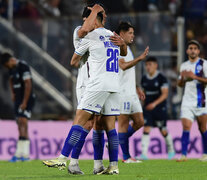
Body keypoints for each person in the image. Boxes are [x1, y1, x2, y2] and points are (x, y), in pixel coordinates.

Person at [43, 6, 127, 175]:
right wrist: (123, 44)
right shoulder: (113, 35)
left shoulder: (89, 35)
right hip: (114, 84)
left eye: (87, 19)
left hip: (96, 84)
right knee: (109, 126)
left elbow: (74, 62)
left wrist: (96, 10)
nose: (84, 23)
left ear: (94, 18)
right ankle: (113, 166)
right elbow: (122, 53)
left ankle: (63, 158)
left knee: (80, 120)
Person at [68, 4, 106, 175]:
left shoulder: (100, 35)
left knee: (99, 123)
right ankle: (73, 162)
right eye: (96, 15)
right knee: (87, 122)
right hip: (86, 83)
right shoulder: (79, 31)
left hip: (99, 84)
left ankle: (98, 165)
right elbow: (84, 31)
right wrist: (95, 12)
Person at [115, 22, 149, 163]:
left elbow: (127, 73)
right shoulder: (117, 47)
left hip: (131, 92)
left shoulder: (127, 49)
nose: (133, 35)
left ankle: (115, 142)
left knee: (140, 122)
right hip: (122, 92)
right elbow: (122, 66)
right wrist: (140, 59)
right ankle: (126, 157)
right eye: (130, 33)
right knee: (123, 124)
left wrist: (136, 87)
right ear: (121, 33)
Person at [0, 52, 35, 162]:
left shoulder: (22, 66)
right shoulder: (12, 68)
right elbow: (11, 80)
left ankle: (25, 154)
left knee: (23, 122)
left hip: (27, 99)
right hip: (18, 99)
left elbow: (28, 84)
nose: (7, 68)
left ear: (10, 60)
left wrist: (24, 102)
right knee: (19, 123)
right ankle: (20, 153)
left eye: (7, 65)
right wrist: (13, 93)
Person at [177, 40, 207, 162]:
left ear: (198, 51)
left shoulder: (204, 64)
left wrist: (194, 77)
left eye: (195, 48)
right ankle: (184, 155)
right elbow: (179, 84)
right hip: (187, 101)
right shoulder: (184, 65)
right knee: (186, 126)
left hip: (201, 101)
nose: (193, 50)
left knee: (203, 128)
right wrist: (184, 79)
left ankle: (205, 154)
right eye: (191, 48)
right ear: (187, 51)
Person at [140, 56, 175, 160]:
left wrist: (154, 104)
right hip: (147, 108)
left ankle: (171, 151)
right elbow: (143, 94)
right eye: (146, 65)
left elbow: (164, 95)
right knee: (146, 129)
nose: (148, 67)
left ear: (156, 65)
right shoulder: (144, 78)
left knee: (163, 130)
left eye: (150, 64)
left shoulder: (161, 78)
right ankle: (144, 154)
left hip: (159, 108)